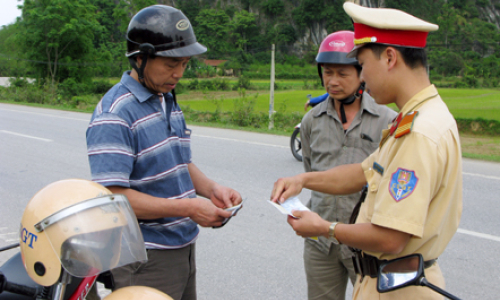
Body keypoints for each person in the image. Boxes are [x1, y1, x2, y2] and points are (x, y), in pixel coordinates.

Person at [271, 2, 462, 300]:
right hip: (392, 280)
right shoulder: (421, 116)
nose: (364, 77)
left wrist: (325, 227)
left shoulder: (418, 133)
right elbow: (363, 172)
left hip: (398, 288)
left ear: (389, 57)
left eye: (362, 63)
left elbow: (389, 237)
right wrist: (304, 181)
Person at [86, 5, 242, 300]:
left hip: (182, 245)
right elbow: (115, 199)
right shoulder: (115, 113)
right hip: (146, 256)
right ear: (140, 58)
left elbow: (179, 161)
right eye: (171, 64)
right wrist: (189, 208)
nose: (179, 73)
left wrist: (212, 190)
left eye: (184, 64)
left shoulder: (165, 97)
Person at [299, 31, 397, 300]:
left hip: (366, 243)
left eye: (342, 74)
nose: (332, 81)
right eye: (327, 73)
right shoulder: (312, 120)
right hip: (320, 243)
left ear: (361, 73)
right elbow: (312, 168)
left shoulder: (388, 120)